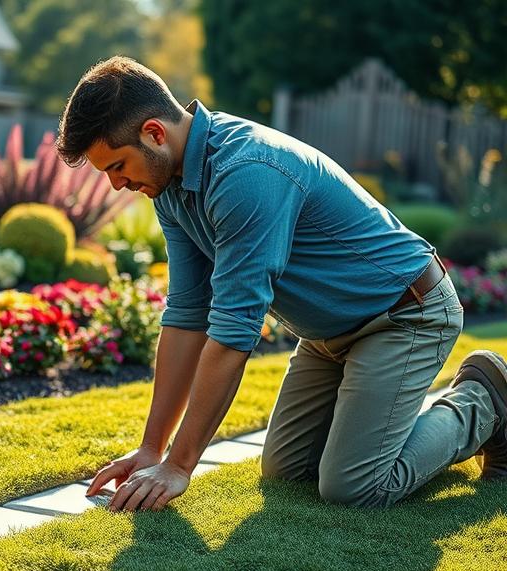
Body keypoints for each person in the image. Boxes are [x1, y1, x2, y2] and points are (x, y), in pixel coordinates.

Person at [64, 56, 507, 511]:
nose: (117, 184)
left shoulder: (247, 173)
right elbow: (188, 314)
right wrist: (152, 449)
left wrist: (179, 467)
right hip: (328, 335)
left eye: (117, 166)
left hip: (405, 315)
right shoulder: (169, 183)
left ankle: (483, 401)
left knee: (353, 486)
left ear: (154, 133)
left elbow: (234, 329)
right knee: (287, 468)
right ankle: (389, 426)